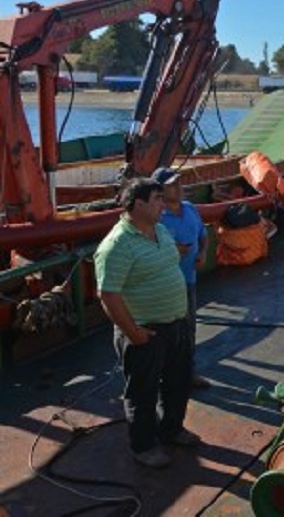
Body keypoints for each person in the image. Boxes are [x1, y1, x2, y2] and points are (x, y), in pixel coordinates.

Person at [95, 177, 200, 469]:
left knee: (178, 383)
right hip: (146, 331)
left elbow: (168, 261)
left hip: (176, 324)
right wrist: (134, 333)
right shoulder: (117, 245)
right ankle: (143, 446)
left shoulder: (160, 230)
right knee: (143, 392)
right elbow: (108, 294)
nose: (163, 204)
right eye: (157, 199)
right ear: (138, 204)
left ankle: (172, 429)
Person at [153, 166, 210, 390]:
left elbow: (203, 236)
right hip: (165, 286)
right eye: (172, 185)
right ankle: (164, 376)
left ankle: (188, 372)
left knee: (189, 329)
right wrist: (171, 249)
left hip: (189, 281)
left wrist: (203, 252)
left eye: (179, 183)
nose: (179, 188)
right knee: (165, 331)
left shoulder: (190, 209)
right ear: (160, 192)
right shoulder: (157, 217)